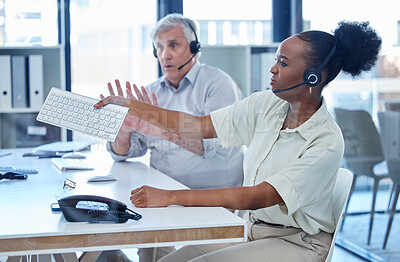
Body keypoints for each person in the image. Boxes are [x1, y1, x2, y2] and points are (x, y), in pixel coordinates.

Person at [95, 21, 382, 262]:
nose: (272, 69)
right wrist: (135, 106)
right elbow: (197, 126)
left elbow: (258, 196)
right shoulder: (265, 105)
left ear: (312, 77)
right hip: (252, 228)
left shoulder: (326, 141)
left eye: (282, 63)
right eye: (275, 60)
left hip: (297, 243)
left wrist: (170, 196)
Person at [99, 13, 244, 262]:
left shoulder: (218, 85)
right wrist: (122, 131)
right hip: (163, 199)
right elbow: (123, 153)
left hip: (211, 200)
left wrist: (159, 130)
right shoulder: (152, 92)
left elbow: (212, 148)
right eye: (159, 47)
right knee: (117, 243)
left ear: (195, 48)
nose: (164, 55)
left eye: (173, 45)